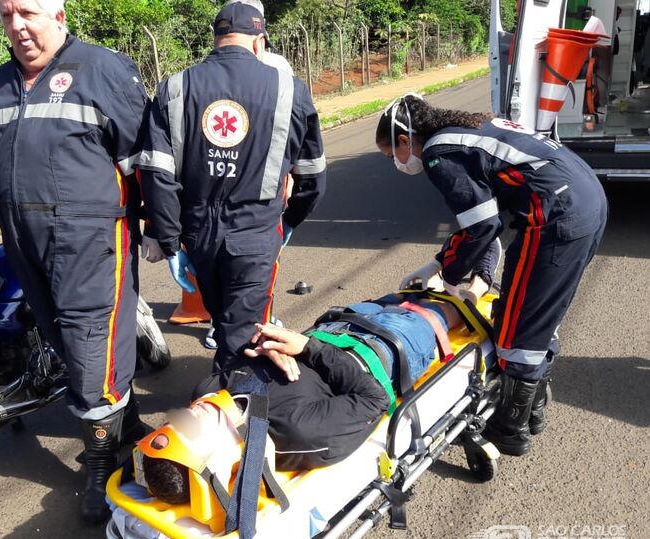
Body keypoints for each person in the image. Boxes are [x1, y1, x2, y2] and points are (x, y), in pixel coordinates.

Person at [0, 0, 148, 523]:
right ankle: (125, 423)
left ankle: (102, 466)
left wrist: (161, 227)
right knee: (62, 342)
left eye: (27, 13)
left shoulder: (103, 69)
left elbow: (145, 159)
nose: (16, 26)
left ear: (58, 16)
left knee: (91, 346)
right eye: (5, 15)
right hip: (25, 243)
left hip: (90, 240)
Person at [376, 95, 607, 457]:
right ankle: (532, 411)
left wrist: (448, 274)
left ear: (406, 139)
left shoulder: (439, 150)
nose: (396, 163)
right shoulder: (465, 127)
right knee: (537, 313)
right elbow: (486, 218)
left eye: (392, 155)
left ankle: (509, 429)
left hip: (555, 214)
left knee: (518, 326)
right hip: (586, 198)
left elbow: (481, 226)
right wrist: (440, 263)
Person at [139, 278, 490, 505]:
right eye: (188, 425)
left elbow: (247, 355)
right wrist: (306, 347)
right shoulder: (299, 434)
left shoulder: (209, 393)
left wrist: (266, 345)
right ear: (218, 457)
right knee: (454, 304)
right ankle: (478, 282)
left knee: (411, 288)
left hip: (339, 321)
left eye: (175, 419)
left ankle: (444, 272)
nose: (192, 411)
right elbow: (373, 398)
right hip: (389, 343)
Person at [139, 3, 327, 372]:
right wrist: (290, 220)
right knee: (242, 338)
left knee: (224, 320)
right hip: (256, 231)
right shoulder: (291, 90)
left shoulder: (174, 87)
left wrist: (169, 238)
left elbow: (156, 175)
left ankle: (225, 395)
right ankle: (235, 410)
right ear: (260, 43)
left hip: (197, 233)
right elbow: (312, 174)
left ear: (216, 39)